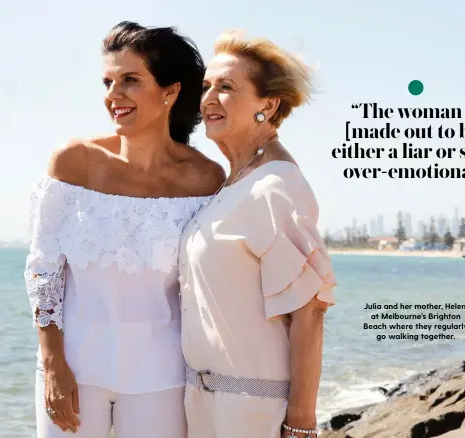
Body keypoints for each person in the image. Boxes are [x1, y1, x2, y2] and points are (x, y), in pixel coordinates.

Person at [24, 21, 224, 438]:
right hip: (75, 370)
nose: (113, 95)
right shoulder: (74, 163)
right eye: (108, 81)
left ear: (169, 92)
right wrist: (53, 364)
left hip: (164, 376)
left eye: (130, 80)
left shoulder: (206, 179)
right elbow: (43, 272)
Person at [178, 31, 336, 438]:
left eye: (226, 87)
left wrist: (300, 425)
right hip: (205, 405)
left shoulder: (276, 185)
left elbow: (310, 310)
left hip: (252, 415)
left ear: (267, 105)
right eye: (206, 86)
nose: (209, 97)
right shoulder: (234, 184)